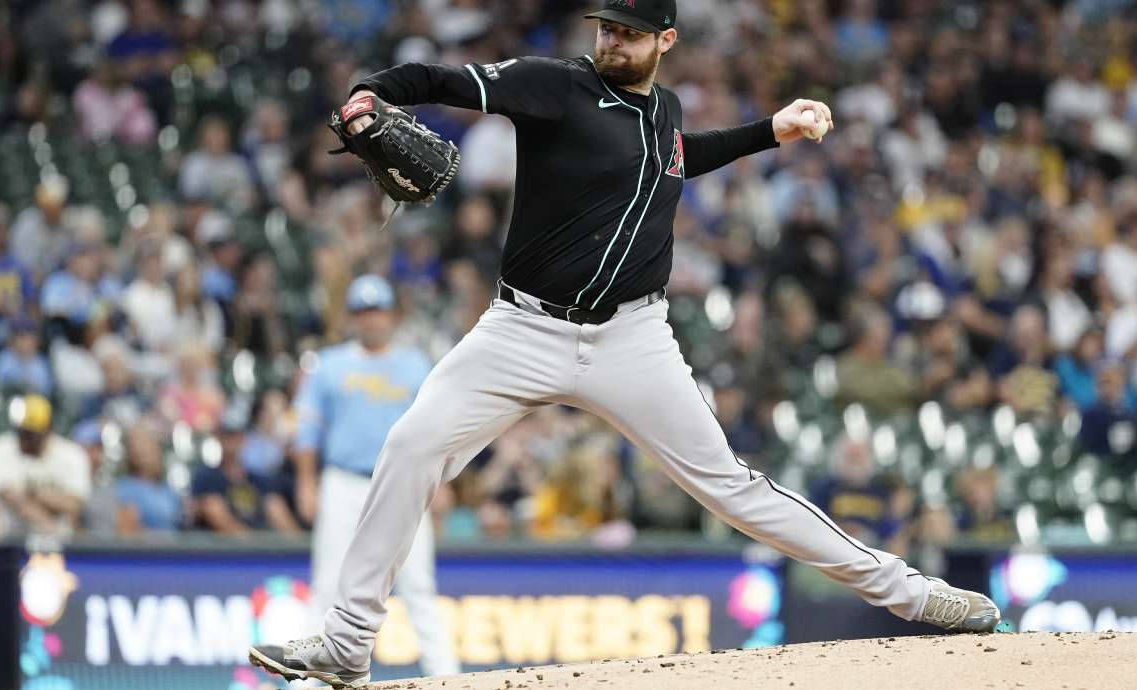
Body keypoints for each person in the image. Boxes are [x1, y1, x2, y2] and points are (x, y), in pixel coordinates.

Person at [251, 2, 999, 686]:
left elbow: (675, 156)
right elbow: (437, 78)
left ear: (665, 40)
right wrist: (369, 94)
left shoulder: (663, 110)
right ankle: (348, 641)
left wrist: (770, 130)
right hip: (521, 329)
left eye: (629, 32)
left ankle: (912, 595)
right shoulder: (553, 86)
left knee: (733, 488)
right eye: (606, 27)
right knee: (410, 446)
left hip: (633, 338)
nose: (611, 41)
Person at [291, 275, 459, 678]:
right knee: (327, 585)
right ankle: (306, 682)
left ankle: (448, 678)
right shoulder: (329, 365)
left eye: (377, 310)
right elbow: (307, 429)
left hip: (404, 485)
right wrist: (305, 482)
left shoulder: (415, 364)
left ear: (392, 315)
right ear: (352, 317)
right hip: (344, 481)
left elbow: (438, 429)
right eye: (363, 311)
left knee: (418, 587)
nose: (371, 319)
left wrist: (443, 482)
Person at [0, 394, 91, 536]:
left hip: (63, 543)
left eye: (31, 434)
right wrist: (48, 523)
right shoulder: (0, 448)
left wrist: (33, 492)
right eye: (23, 432)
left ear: (47, 430)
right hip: (9, 541)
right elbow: (11, 497)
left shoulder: (71, 455)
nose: (25, 439)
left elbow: (73, 505)